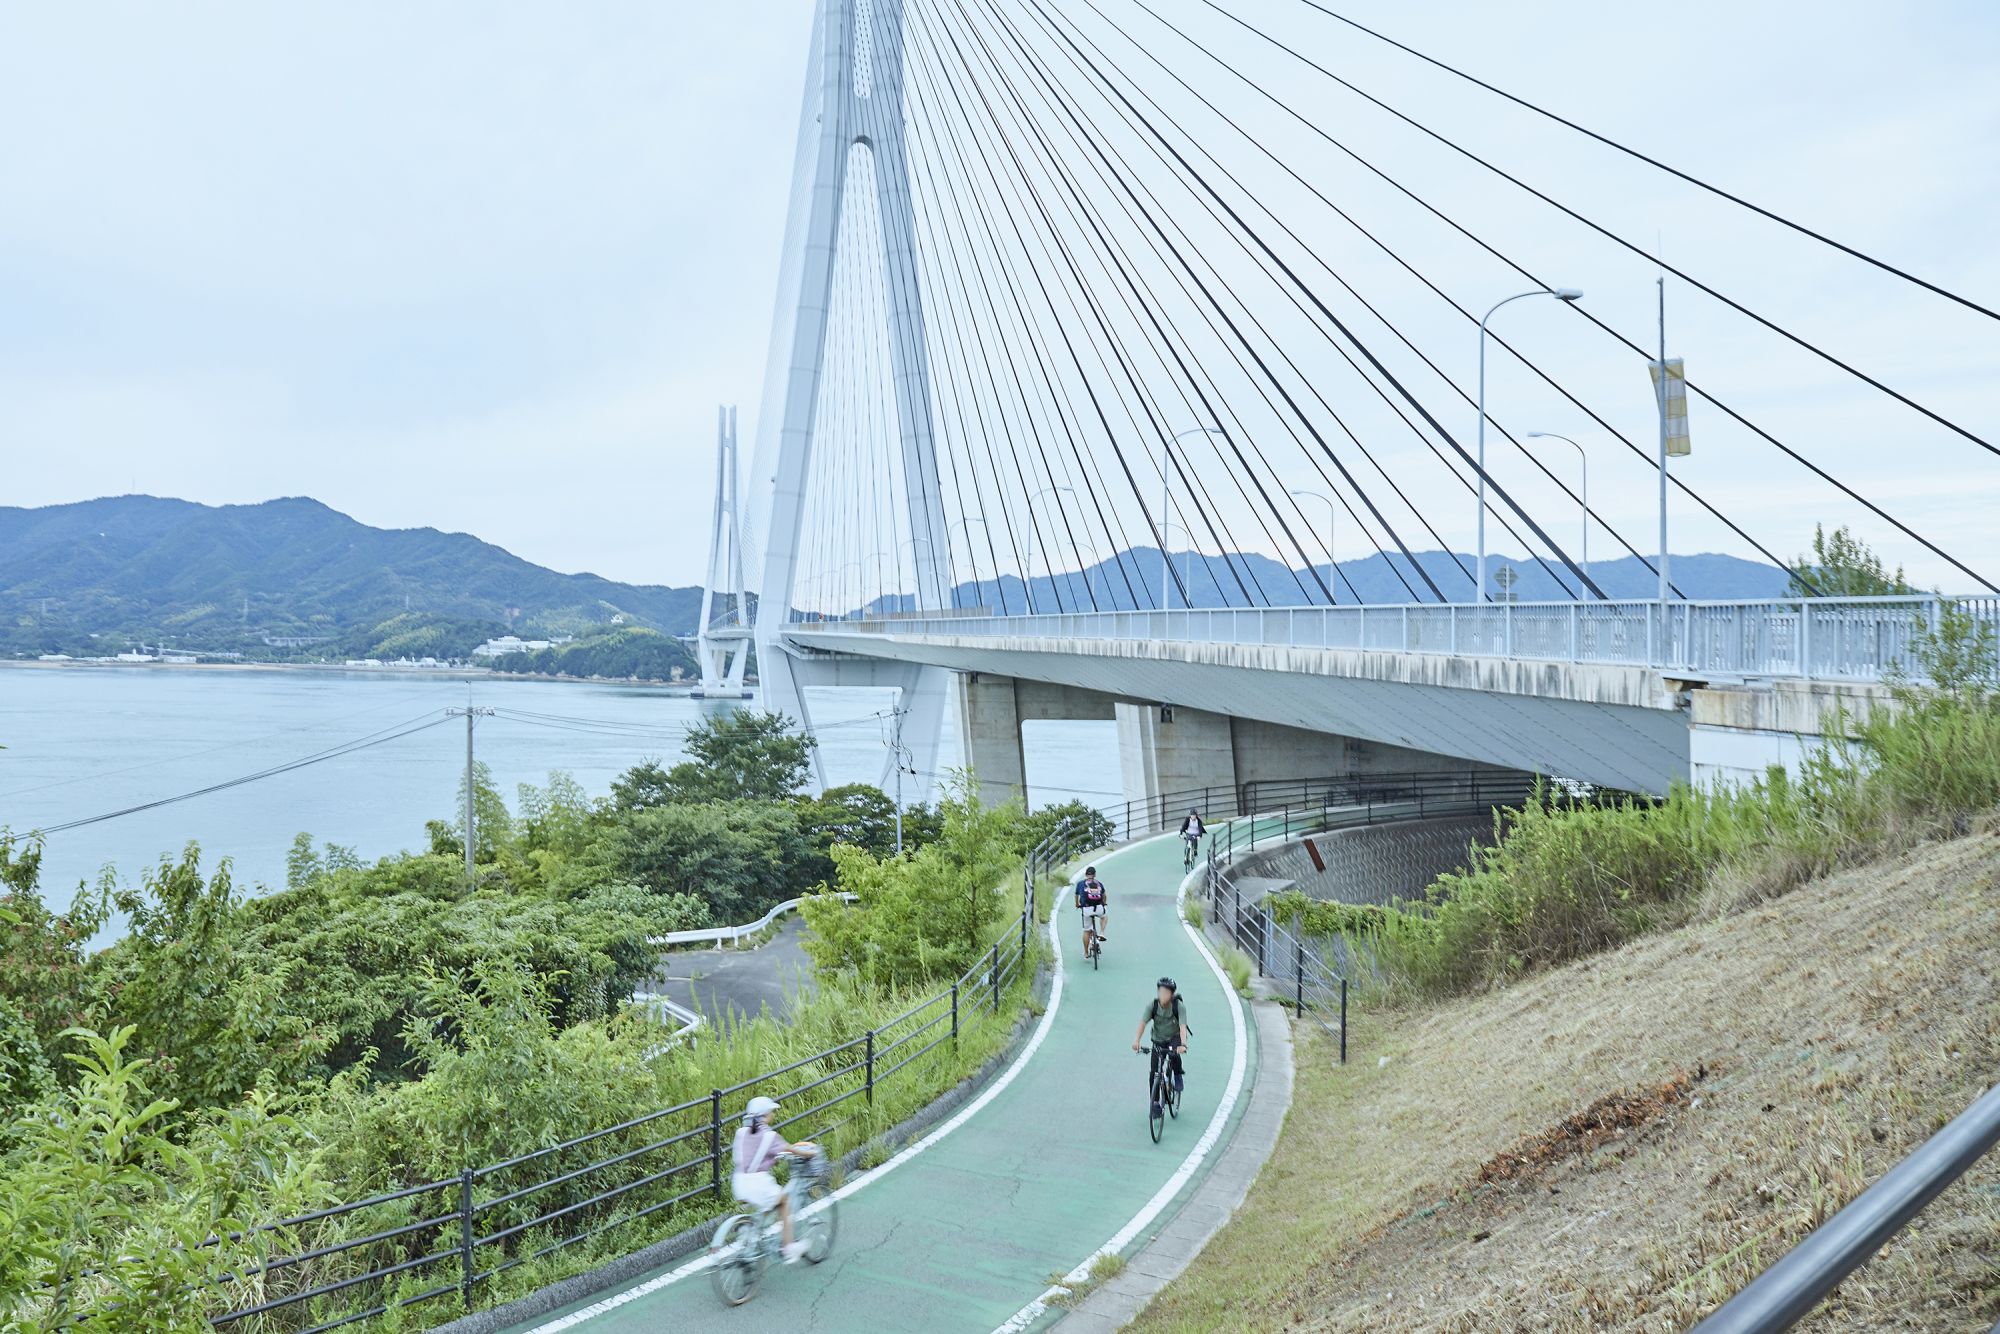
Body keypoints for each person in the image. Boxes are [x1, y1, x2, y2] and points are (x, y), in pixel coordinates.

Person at [731, 1095, 817, 1262]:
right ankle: (788, 1248)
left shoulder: (741, 1133)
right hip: (757, 1183)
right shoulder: (770, 1136)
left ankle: (748, 1231)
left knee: (767, 1204)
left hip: (738, 1182)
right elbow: (790, 1149)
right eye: (771, 1112)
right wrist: (809, 1153)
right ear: (765, 1115)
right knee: (783, 1201)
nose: (773, 1114)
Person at [1131, 976, 1190, 1108]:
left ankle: (1178, 1074)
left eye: (1166, 993)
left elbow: (1182, 1027)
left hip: (1174, 1037)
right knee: (1154, 1072)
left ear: (1172, 994)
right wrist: (1137, 1041)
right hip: (1158, 1038)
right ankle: (1156, 1102)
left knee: (1174, 1053)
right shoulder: (1152, 1005)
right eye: (1161, 992)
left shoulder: (1178, 1007)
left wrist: (1183, 1045)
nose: (1163, 995)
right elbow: (1143, 1023)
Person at [1074, 865, 1109, 957]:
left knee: (1086, 931)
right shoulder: (1099, 883)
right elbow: (1104, 896)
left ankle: (1086, 952)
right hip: (1098, 908)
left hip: (1086, 908)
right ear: (1095, 874)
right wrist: (1104, 904)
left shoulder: (1081, 884)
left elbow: (1077, 895)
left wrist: (1077, 904)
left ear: (1086, 874)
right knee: (1104, 916)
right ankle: (1101, 932)